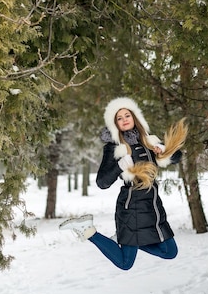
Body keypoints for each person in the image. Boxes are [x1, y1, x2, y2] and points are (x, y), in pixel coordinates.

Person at [59, 96, 187, 271]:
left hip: (153, 208)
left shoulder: (149, 141)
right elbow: (102, 182)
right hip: (131, 208)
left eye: (127, 115)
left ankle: (123, 237)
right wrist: (120, 166)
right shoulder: (114, 147)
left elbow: (177, 157)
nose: (124, 120)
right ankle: (88, 230)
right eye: (119, 118)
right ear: (115, 124)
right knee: (125, 263)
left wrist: (164, 150)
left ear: (135, 117)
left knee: (170, 251)